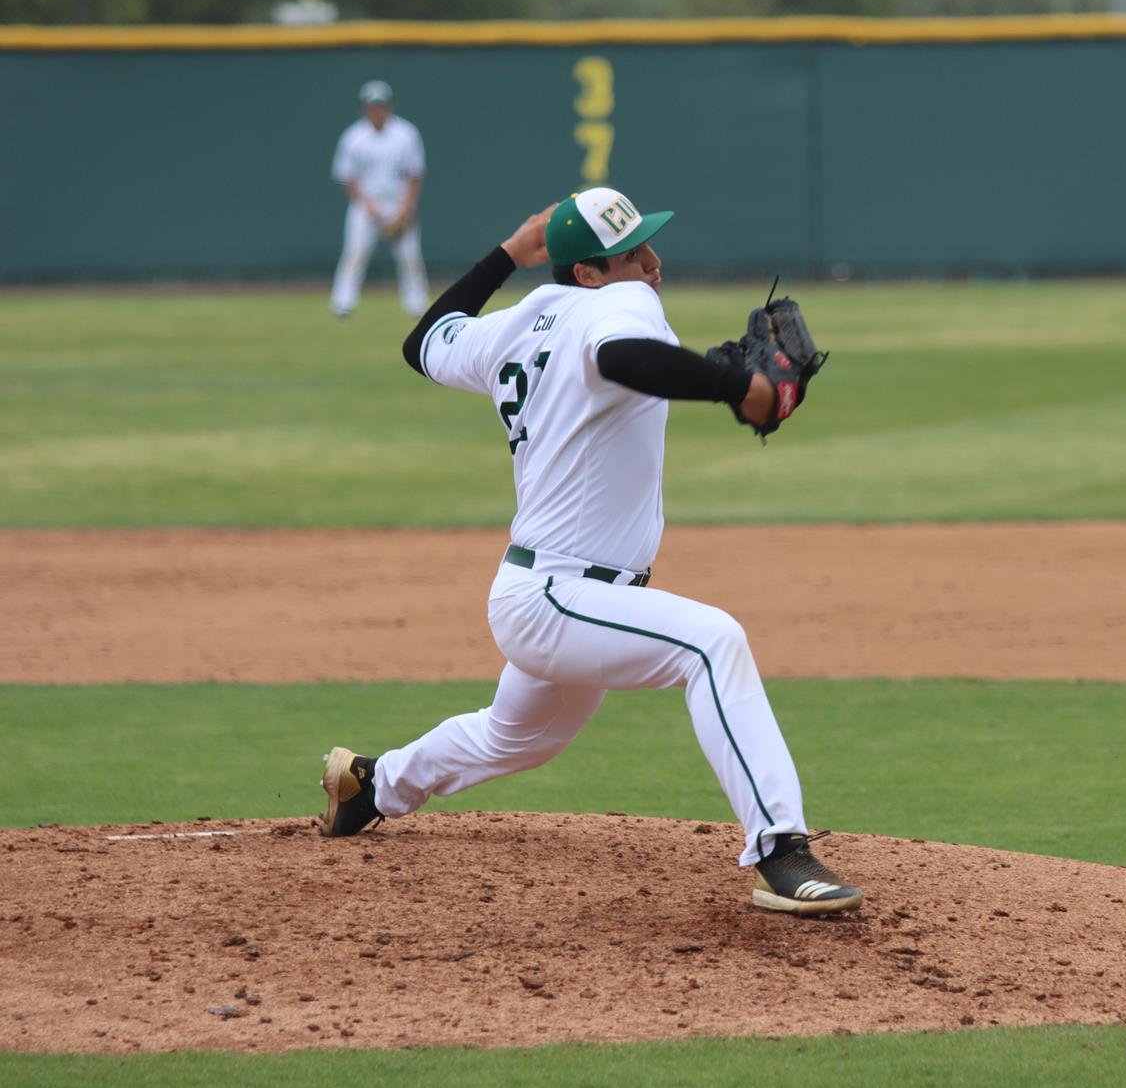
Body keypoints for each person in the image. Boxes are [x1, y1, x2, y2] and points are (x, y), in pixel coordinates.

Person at [316, 187, 862, 916]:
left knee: (516, 737)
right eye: (632, 253)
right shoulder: (621, 308)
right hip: (557, 597)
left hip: (551, 593)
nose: (653, 262)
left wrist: (511, 251)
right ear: (589, 274)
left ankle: (370, 783)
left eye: (647, 243)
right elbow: (623, 355)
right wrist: (741, 387)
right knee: (710, 644)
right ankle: (780, 852)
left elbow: (424, 341)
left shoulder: (516, 325)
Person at [330, 80, 429, 319]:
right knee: (355, 252)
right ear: (364, 109)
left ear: (389, 107)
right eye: (373, 106)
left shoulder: (406, 134)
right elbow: (347, 177)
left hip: (398, 202)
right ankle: (343, 303)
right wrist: (366, 204)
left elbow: (415, 174)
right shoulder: (353, 137)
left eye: (381, 106)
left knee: (410, 256)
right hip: (366, 205)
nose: (377, 111)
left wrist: (408, 205)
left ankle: (416, 305)